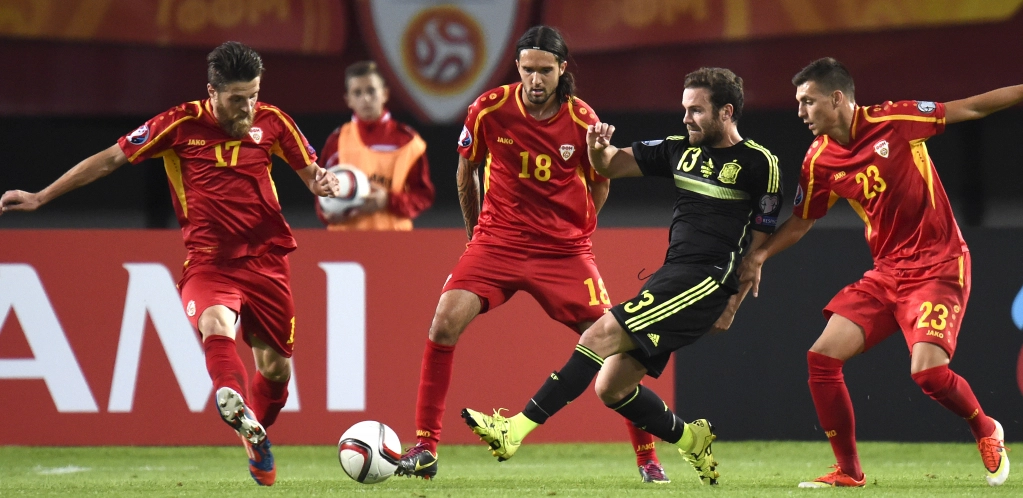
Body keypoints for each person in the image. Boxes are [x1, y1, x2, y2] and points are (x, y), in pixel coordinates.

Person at [0, 41, 340, 487]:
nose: (248, 107)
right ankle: (229, 394)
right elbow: (110, 159)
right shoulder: (178, 125)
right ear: (212, 92)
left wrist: (324, 182)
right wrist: (42, 196)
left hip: (268, 262)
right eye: (237, 98)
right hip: (208, 263)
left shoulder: (274, 121)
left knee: (276, 372)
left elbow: (312, 175)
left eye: (254, 95)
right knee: (215, 323)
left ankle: (254, 430)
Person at [461, 67, 782, 486]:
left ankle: (514, 430)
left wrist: (732, 304)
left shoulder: (759, 163)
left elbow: (757, 250)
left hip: (705, 282)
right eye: (685, 109)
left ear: (726, 112)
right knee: (611, 388)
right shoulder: (678, 149)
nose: (686, 118)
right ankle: (692, 438)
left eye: (696, 110)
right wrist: (596, 150)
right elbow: (611, 165)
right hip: (672, 276)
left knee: (597, 335)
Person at [394, 25, 669, 483]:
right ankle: (425, 447)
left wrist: (578, 232)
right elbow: (465, 172)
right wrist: (475, 236)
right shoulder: (489, 108)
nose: (535, 80)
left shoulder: (582, 119)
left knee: (614, 342)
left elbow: (600, 181)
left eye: (545, 70)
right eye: (527, 70)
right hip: (497, 242)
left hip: (563, 251)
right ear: (518, 68)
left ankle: (648, 459)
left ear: (562, 69)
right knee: (443, 322)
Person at [739, 57, 1021, 488]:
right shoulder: (819, 160)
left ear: (837, 98)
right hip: (887, 273)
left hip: (939, 265)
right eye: (799, 102)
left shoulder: (896, 120)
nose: (800, 111)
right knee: (822, 359)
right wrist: (760, 256)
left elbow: (972, 107)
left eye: (808, 101)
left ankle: (986, 428)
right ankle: (849, 472)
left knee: (928, 374)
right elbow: (803, 219)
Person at [315, 61, 435, 230]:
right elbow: (320, 193)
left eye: (371, 91)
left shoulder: (408, 142)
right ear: (348, 100)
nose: (365, 98)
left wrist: (387, 201)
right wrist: (326, 213)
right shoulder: (337, 141)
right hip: (346, 239)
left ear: (385, 94)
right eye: (357, 93)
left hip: (394, 240)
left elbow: (423, 196)